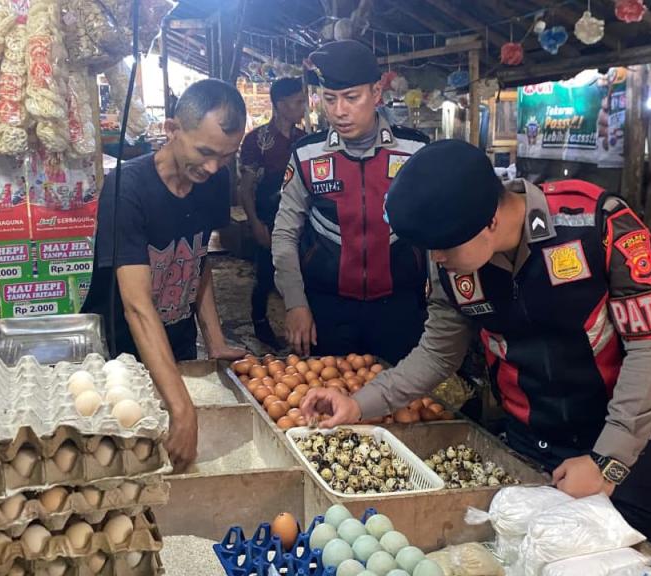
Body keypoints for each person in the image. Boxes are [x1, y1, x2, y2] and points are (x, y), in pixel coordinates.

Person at [302, 140, 651, 565]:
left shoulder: (595, 223)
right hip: (536, 450)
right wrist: (359, 404)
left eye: (443, 247)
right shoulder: (452, 266)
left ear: (489, 221)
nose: (436, 258)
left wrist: (608, 460)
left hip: (630, 448)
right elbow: (436, 354)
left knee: (649, 563)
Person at [82, 79, 248, 471]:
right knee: (128, 460)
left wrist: (216, 340)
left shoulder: (214, 181)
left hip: (178, 340)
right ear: (172, 130)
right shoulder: (127, 189)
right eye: (205, 152)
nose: (212, 167)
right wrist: (182, 408)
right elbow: (136, 305)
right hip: (121, 352)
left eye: (225, 156)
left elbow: (198, 260)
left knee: (176, 466)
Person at [271, 40, 429, 364]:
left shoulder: (415, 151)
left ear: (375, 93)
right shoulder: (306, 155)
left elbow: (437, 232)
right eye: (330, 99)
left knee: (403, 407)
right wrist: (295, 303)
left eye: (351, 98)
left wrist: (439, 301)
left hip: (400, 309)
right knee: (326, 403)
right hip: (327, 309)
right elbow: (285, 234)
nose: (339, 111)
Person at [238, 77, 307, 348]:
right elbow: (246, 187)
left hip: (302, 219)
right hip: (268, 217)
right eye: (298, 101)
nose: (303, 107)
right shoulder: (257, 141)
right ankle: (259, 321)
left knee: (301, 271)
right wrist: (254, 222)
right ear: (281, 104)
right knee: (266, 272)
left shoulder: (305, 140)